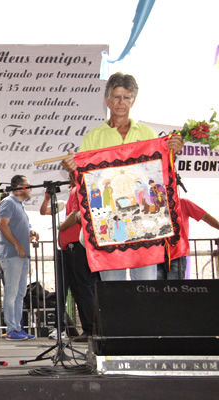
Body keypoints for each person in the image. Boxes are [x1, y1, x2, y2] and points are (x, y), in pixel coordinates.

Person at [62, 71, 184, 281]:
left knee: (145, 287)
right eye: (116, 96)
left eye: (126, 97)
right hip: (109, 224)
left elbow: (160, 171)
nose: (121, 102)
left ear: (133, 101)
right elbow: (81, 182)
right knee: (112, 290)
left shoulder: (147, 134)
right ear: (107, 99)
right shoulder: (93, 137)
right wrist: (71, 167)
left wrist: (172, 150)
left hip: (144, 221)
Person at [40, 173, 100, 341]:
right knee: (80, 290)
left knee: (82, 289)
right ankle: (89, 329)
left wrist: (61, 227)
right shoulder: (73, 194)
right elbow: (47, 211)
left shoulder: (77, 190)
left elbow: (75, 214)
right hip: (72, 247)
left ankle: (90, 329)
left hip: (76, 246)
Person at [0, 175, 37, 341]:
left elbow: (14, 226)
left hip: (21, 255)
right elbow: (2, 224)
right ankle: (11, 329)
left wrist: (29, 233)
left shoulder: (19, 205)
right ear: (20, 187)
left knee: (20, 293)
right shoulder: (8, 202)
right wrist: (17, 245)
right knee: (12, 293)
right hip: (12, 255)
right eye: (28, 186)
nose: (31, 189)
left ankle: (18, 327)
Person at [157, 198, 219, 280]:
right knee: (160, 288)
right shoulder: (153, 203)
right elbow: (205, 216)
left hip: (176, 253)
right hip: (157, 254)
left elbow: (205, 216)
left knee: (170, 287)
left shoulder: (183, 203)